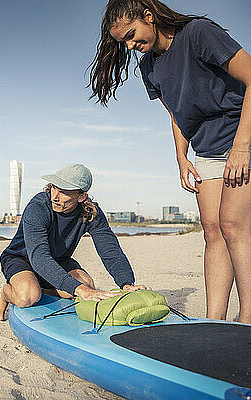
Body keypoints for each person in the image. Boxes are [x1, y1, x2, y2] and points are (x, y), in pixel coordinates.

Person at [88, 0, 251, 323]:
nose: (132, 46)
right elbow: (176, 115)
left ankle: (247, 320)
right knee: (212, 230)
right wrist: (181, 157)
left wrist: (242, 147)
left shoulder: (199, 34)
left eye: (133, 35)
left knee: (234, 225)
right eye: (125, 43)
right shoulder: (150, 66)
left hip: (243, 135)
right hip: (207, 148)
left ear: (149, 17)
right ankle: (214, 321)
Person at [0, 163, 148, 320]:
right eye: (53, 188)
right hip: (21, 258)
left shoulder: (91, 213)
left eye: (64, 192)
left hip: (58, 260)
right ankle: (5, 294)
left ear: (81, 196)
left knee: (86, 285)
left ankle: (41, 288)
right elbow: (39, 258)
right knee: (27, 297)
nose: (55, 197)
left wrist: (126, 283)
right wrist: (79, 290)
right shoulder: (38, 207)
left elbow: (110, 252)